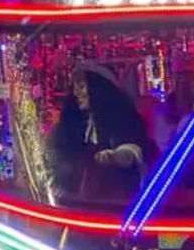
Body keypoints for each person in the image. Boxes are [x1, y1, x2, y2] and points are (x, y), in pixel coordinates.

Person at [48, 63, 152, 198]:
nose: (76, 93)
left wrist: (114, 157)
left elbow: (133, 151)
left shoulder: (123, 121)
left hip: (115, 203)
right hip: (79, 204)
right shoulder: (73, 127)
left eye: (81, 87)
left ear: (98, 89)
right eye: (74, 87)